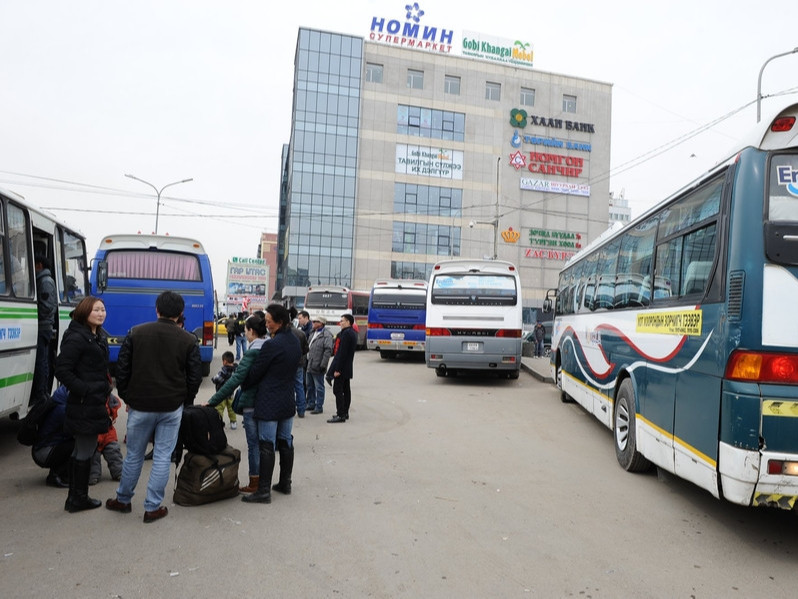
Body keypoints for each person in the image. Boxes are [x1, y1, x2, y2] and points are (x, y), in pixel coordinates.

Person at [106, 291, 202, 523]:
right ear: (180, 314)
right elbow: (194, 377)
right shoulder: (189, 340)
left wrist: (128, 397)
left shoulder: (136, 333)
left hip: (140, 406)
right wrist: (184, 400)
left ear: (157, 309)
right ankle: (152, 507)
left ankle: (123, 500)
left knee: (134, 456)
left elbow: (122, 370)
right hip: (171, 407)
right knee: (162, 456)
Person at [54, 296, 112, 513]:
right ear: (84, 312)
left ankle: (76, 498)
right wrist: (85, 389)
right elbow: (62, 370)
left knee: (84, 448)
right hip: (84, 403)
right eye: (96, 310)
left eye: (103, 310)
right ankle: (78, 498)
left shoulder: (96, 336)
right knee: (85, 449)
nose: (101, 313)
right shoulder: (77, 337)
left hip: (94, 401)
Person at [240, 304, 301, 504]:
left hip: (269, 401)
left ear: (280, 322)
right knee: (285, 441)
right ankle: (285, 482)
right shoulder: (295, 341)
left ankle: (263, 491)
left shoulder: (272, 345)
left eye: (269, 321)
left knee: (266, 444)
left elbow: (255, 373)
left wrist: (245, 383)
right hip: (287, 399)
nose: (266, 325)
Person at [206, 314, 269, 493]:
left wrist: (212, 401)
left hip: (252, 403)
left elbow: (234, 381)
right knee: (266, 444)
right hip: (268, 403)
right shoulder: (270, 348)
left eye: (247, 330)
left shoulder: (252, 352)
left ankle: (255, 482)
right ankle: (264, 483)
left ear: (251, 331)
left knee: (254, 445)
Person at [31, 384, 74, 488]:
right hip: (44, 452)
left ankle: (62, 473)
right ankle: (55, 475)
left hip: (43, 449)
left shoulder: (60, 397)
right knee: (81, 444)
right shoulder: (64, 410)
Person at [32, 253, 57, 405]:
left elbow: (47, 307)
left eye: (33, 265)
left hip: (43, 327)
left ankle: (41, 394)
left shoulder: (46, 281)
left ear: (39, 265)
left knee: (41, 362)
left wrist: (34, 316)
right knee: (42, 361)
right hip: (42, 326)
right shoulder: (42, 280)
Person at [326, 313, 357, 424]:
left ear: (348, 322)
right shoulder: (351, 333)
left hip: (342, 367)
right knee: (346, 390)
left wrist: (337, 369)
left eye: (342, 321)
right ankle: (345, 412)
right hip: (347, 366)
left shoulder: (346, 334)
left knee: (337, 390)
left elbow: (342, 353)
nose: (341, 323)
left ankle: (341, 414)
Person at [89, 394, 124, 485]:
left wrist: (113, 415)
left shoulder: (109, 398)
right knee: (93, 456)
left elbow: (114, 407)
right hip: (93, 434)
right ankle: (93, 475)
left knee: (114, 452)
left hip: (108, 432)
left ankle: (119, 472)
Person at [306, 316, 333, 415]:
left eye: (315, 321)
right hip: (310, 363)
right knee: (310, 385)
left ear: (321, 323)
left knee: (319, 387)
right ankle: (311, 403)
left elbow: (328, 351)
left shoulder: (326, 335)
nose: (313, 323)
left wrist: (323, 364)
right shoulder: (313, 333)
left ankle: (319, 406)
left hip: (318, 364)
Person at [288, 307, 309, 418]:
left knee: (288, 386)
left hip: (287, 364)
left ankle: (290, 409)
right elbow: (306, 349)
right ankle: (301, 410)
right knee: (299, 386)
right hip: (299, 363)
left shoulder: (283, 334)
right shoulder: (301, 333)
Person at [211, 351, 238, 429]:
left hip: (221, 394)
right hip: (231, 393)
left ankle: (219, 422)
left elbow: (217, 379)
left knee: (219, 408)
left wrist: (213, 379)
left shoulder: (224, 371)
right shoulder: (235, 370)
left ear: (225, 361)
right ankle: (233, 422)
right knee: (231, 408)